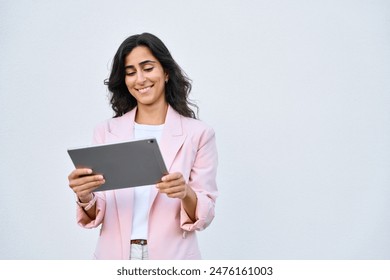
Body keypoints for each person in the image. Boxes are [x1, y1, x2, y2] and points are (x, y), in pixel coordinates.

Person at [67, 32, 218, 260]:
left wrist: (185, 192)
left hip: (174, 257)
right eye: (130, 72)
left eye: (148, 68)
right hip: (114, 257)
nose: (140, 79)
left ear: (166, 72)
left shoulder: (198, 134)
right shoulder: (106, 131)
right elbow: (98, 209)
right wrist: (85, 195)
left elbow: (205, 212)